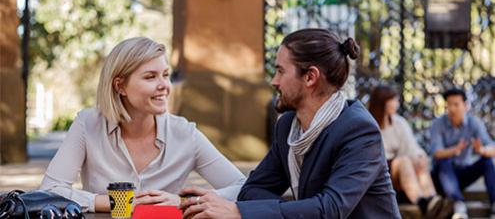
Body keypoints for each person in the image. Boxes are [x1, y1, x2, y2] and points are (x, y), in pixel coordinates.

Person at [180, 28, 401, 218]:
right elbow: (253, 189)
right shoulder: (288, 126)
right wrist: (303, 210)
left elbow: (330, 210)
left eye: (280, 71)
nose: (274, 81)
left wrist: (240, 212)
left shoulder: (358, 130)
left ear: (310, 77)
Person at [40, 37, 246, 212]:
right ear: (120, 86)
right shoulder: (88, 124)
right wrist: (119, 204)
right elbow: (50, 190)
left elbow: (244, 187)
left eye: (165, 75)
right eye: (150, 77)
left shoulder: (185, 133)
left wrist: (185, 202)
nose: (164, 86)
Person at [369, 85, 442, 218]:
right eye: (393, 100)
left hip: (400, 167)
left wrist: (419, 157)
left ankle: (432, 199)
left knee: (418, 158)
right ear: (383, 102)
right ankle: (421, 202)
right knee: (403, 161)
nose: (397, 104)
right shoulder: (369, 123)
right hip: (379, 169)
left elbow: (411, 147)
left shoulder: (399, 122)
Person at [430, 88, 495, 219]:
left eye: (456, 104)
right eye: (449, 105)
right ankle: (458, 205)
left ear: (465, 106)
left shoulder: (474, 123)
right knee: (444, 160)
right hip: (442, 177)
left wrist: (482, 150)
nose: (452, 109)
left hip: (463, 173)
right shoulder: (438, 124)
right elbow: (436, 153)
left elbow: (492, 148)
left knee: (487, 162)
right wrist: (455, 150)